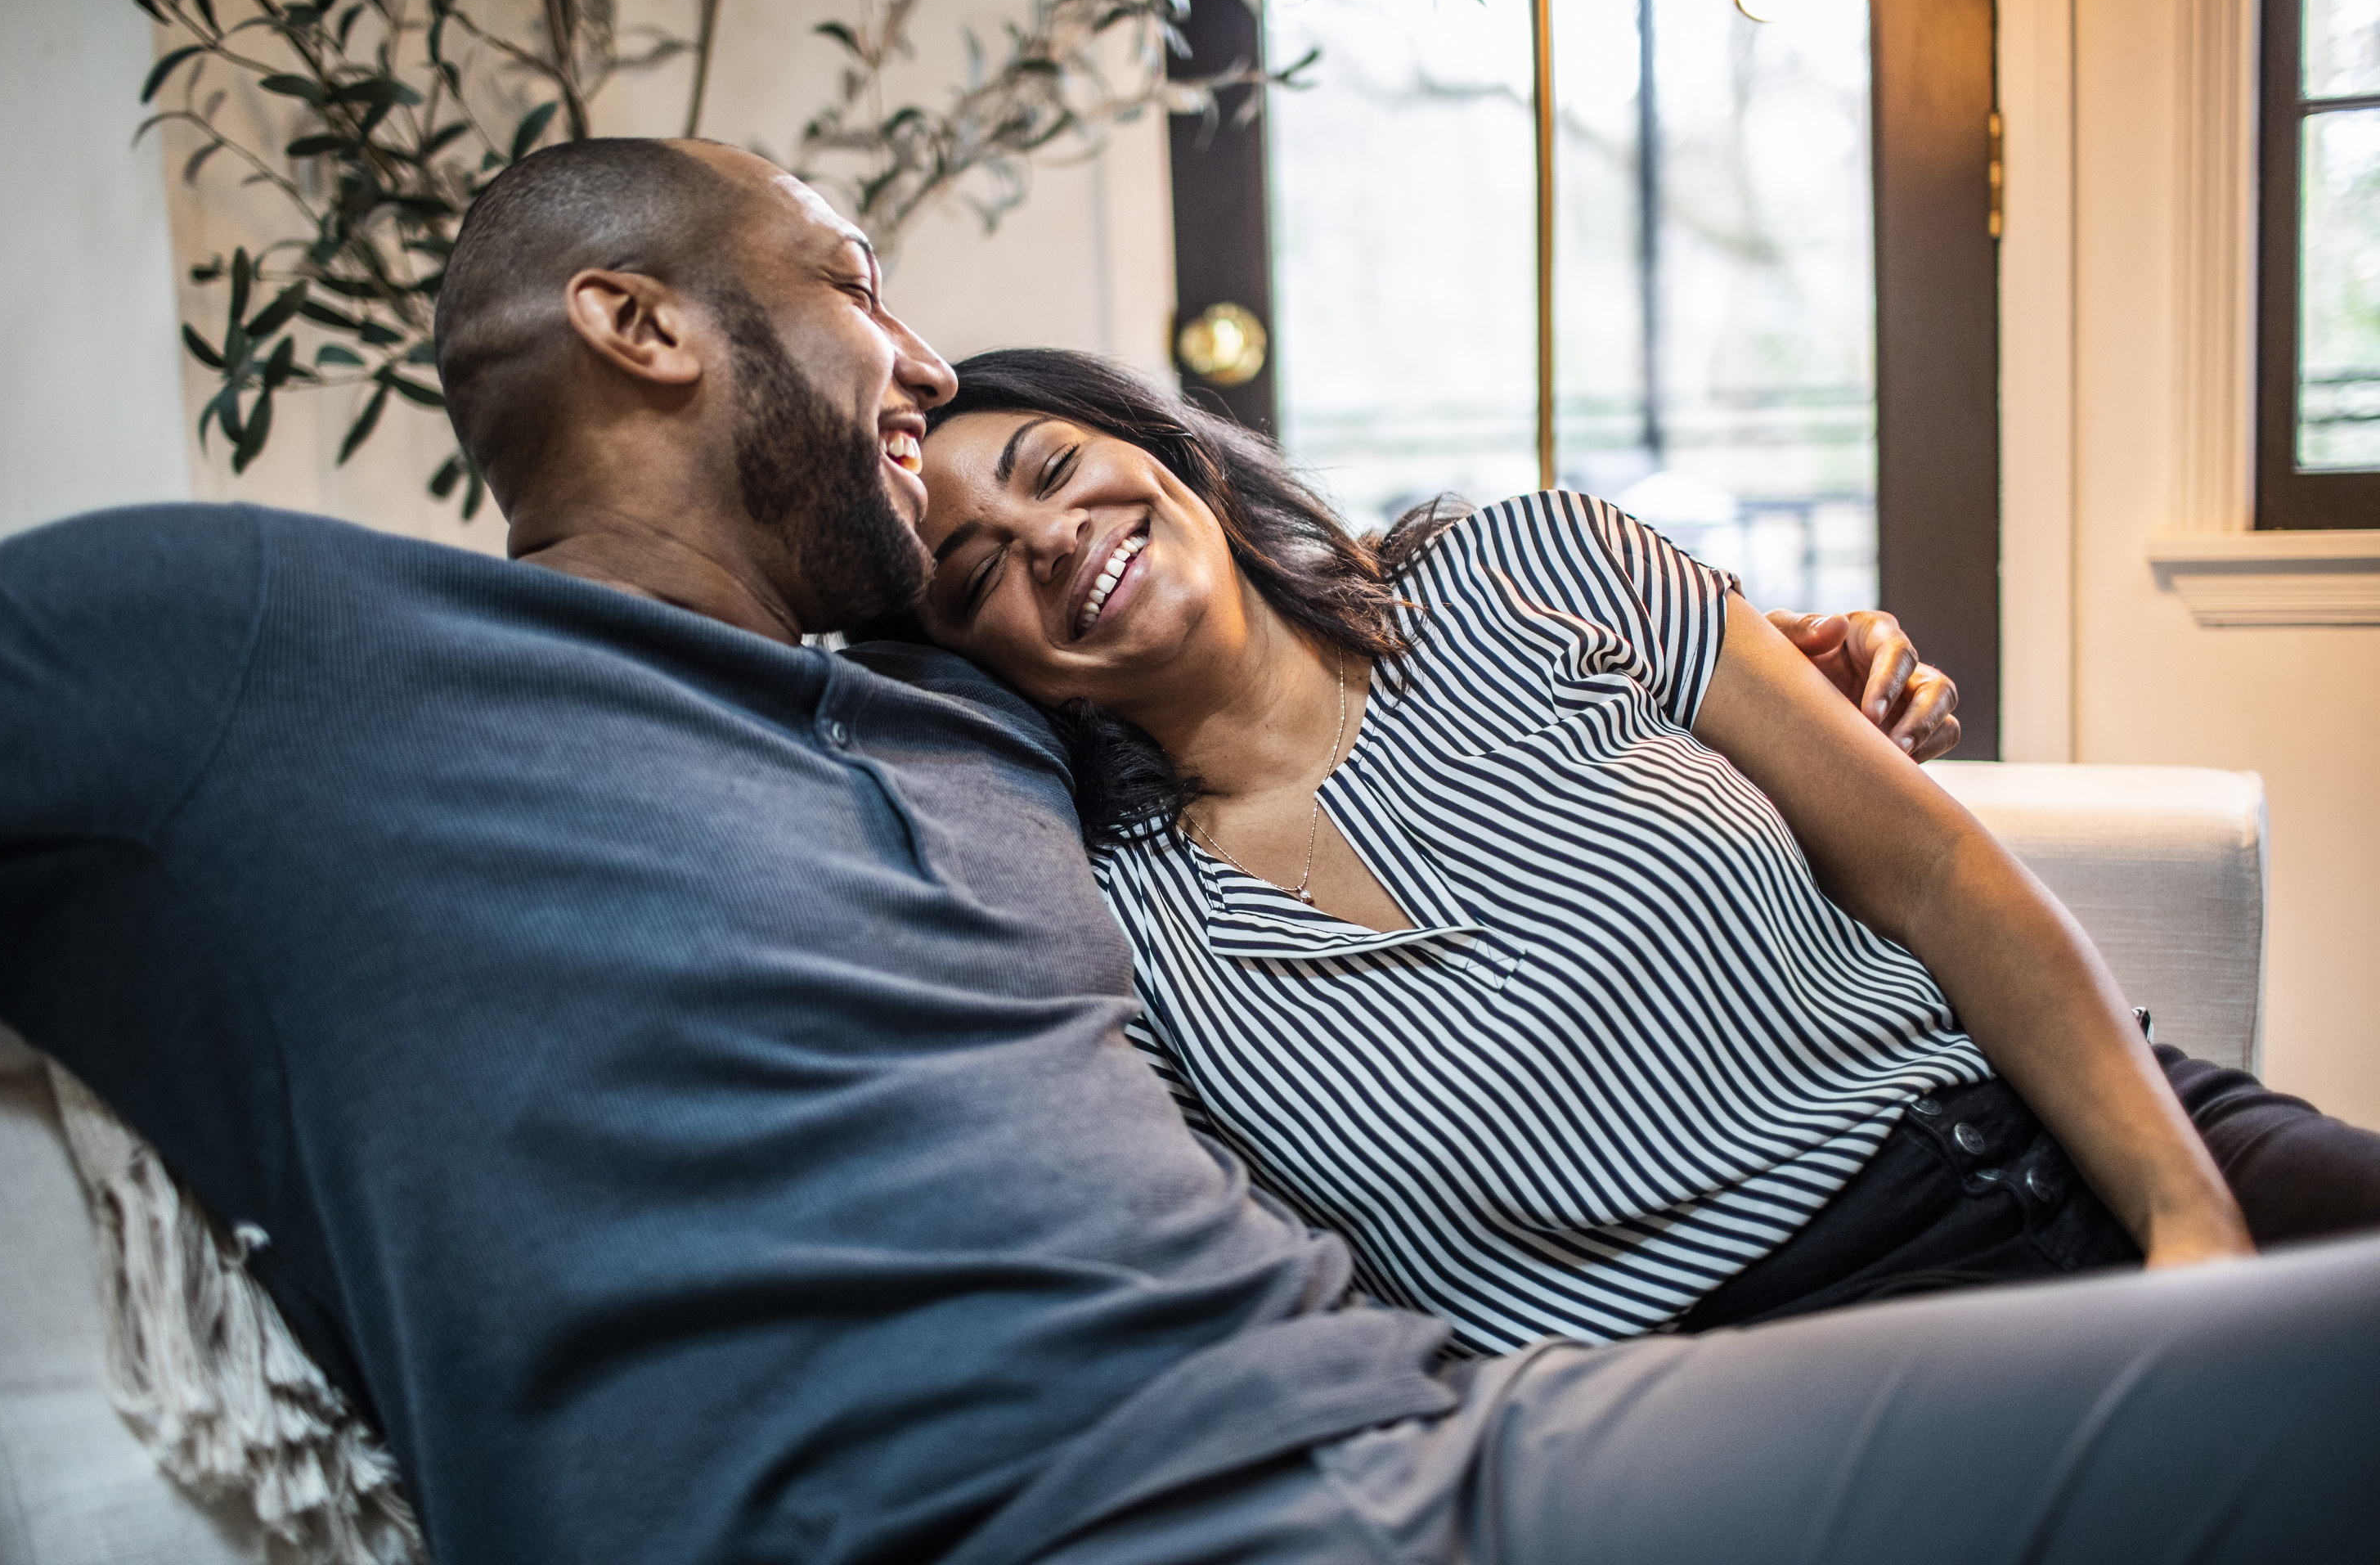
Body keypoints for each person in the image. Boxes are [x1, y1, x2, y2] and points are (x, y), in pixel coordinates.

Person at [0, 137, 2373, 1565]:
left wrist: (1803, 682)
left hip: (1462, 1458)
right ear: (641, 329)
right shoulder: (256, 655)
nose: (922, 374)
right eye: (861, 288)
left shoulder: (980, 754)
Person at [905, 347, 2380, 1352]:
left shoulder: (1535, 563)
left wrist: (2189, 1221)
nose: (1045, 536)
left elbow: (1933, 869)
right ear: (996, 668)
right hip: (1768, 1376)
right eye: (976, 571)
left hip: (2070, 1141)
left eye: (1053, 465)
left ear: (1168, 456)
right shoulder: (1118, 927)